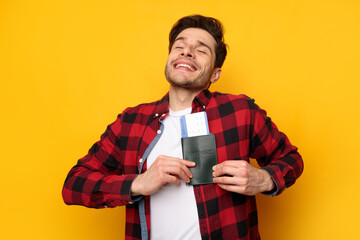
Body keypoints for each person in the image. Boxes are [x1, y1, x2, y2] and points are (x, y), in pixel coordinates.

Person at [62, 15, 303, 240]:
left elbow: (291, 159)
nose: (187, 52)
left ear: (215, 73)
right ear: (169, 58)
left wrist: (264, 179)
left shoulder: (240, 111)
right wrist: (139, 183)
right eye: (179, 46)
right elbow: (74, 184)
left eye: (200, 50)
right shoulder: (131, 121)